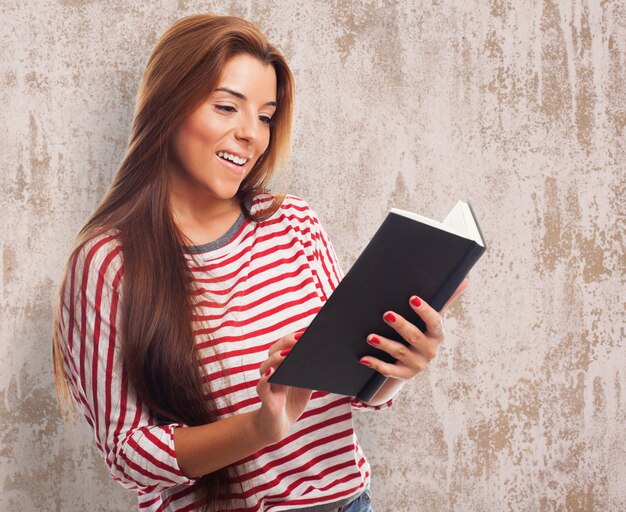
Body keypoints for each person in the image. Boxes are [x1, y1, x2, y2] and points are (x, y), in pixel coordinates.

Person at [52, 13, 467, 512]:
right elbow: (128, 455)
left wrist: (398, 364)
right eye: (228, 107)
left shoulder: (294, 223)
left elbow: (357, 391)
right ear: (168, 108)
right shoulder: (107, 263)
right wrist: (259, 427)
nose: (251, 133)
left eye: (265, 116)